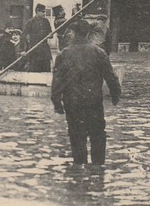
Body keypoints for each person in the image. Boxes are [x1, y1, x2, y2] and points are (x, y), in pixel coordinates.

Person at [51, 18, 122, 166]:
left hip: (72, 103)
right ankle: (97, 173)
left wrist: (57, 103)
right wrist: (115, 96)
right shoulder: (99, 52)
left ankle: (78, 175)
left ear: (73, 33)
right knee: (98, 137)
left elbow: (57, 82)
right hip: (93, 102)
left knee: (77, 139)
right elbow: (111, 77)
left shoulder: (63, 54)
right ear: (89, 33)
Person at [21, 5, 52, 73]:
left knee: (46, 71)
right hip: (34, 50)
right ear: (37, 11)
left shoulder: (46, 21)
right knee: (34, 71)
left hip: (44, 50)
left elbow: (50, 32)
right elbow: (23, 35)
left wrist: (50, 35)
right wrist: (22, 50)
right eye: (43, 12)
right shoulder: (30, 22)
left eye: (45, 12)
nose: (44, 14)